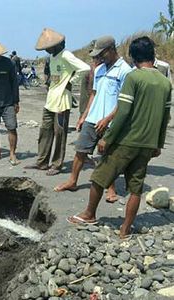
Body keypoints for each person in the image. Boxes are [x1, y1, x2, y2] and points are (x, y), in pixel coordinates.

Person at [67, 36, 172, 239]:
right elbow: (165, 117)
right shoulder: (164, 83)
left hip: (126, 140)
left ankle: (89, 214)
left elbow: (123, 112)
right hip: (147, 143)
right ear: (153, 55)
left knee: (99, 178)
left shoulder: (134, 77)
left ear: (133, 57)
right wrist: (158, 143)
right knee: (135, 188)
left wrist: (108, 138)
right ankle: (125, 229)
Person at [55, 36, 131, 201]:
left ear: (111, 50)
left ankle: (110, 189)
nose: (99, 57)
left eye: (101, 53)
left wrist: (108, 119)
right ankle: (72, 181)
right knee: (80, 150)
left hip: (111, 121)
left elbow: (123, 100)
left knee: (108, 155)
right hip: (93, 117)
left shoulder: (125, 71)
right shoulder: (99, 69)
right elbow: (94, 95)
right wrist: (84, 115)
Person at [26, 28, 90, 176]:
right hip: (50, 100)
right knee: (45, 131)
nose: (46, 51)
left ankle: (56, 164)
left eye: (48, 48)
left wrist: (71, 82)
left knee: (59, 133)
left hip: (62, 101)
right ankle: (42, 161)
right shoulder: (52, 58)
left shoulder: (66, 55)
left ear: (55, 45)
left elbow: (85, 68)